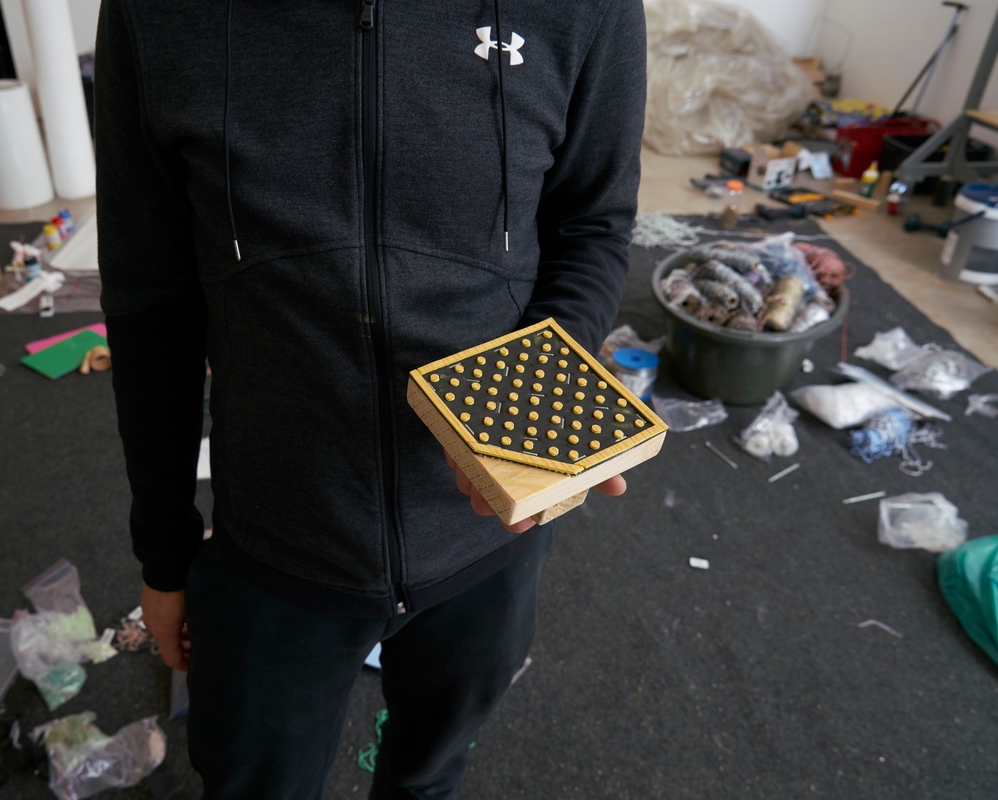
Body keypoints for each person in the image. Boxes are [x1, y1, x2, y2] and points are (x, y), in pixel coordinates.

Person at [94, 1, 646, 797]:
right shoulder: (157, 14)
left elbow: (590, 224)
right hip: (277, 542)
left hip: (485, 538)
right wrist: (164, 554)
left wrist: (537, 397)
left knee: (428, 775)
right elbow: (151, 302)